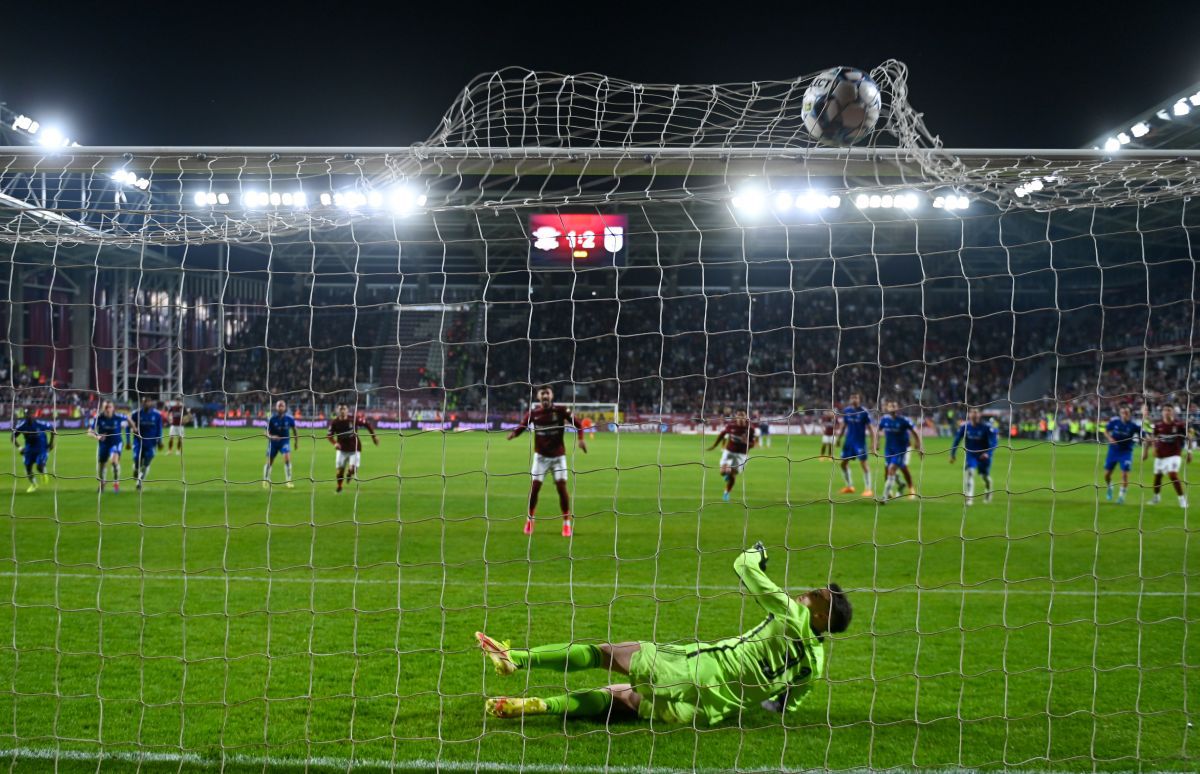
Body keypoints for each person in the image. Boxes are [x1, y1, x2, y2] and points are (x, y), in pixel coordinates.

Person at [476, 542, 851, 725]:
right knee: (619, 698)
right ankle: (542, 706)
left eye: (815, 595)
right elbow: (789, 702)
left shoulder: (790, 612)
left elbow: (743, 566)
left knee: (602, 654)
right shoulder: (815, 664)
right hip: (703, 711)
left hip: (694, 669)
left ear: (822, 614)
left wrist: (758, 553)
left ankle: (515, 659)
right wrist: (776, 704)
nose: (806, 593)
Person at [507, 385, 587, 537]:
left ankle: (566, 523)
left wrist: (581, 439)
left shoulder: (561, 410)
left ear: (551, 396)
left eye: (547, 393)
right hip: (541, 458)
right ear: (538, 397)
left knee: (561, 488)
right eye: (542, 393)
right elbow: (523, 425)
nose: (545, 395)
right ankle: (529, 520)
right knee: (535, 488)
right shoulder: (534, 413)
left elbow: (578, 423)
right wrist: (514, 434)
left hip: (558, 457)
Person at [949, 408, 999, 506]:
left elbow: (994, 442)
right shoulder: (965, 427)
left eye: (976, 412)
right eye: (972, 412)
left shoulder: (986, 427)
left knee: (985, 477)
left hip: (984, 456)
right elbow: (957, 440)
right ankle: (969, 498)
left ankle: (988, 491)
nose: (974, 414)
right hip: (971, 455)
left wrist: (988, 453)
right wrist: (952, 454)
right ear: (969, 415)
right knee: (970, 473)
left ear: (979, 415)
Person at [875, 400, 922, 501]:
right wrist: (877, 442)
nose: (892, 408)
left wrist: (919, 445)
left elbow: (915, 432)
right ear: (887, 408)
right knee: (887, 469)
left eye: (894, 406)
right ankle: (899, 485)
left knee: (900, 468)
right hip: (889, 449)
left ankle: (909, 489)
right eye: (890, 406)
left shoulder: (904, 420)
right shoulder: (884, 419)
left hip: (903, 449)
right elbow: (878, 430)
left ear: (898, 408)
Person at [1144, 404, 1189, 508]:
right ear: (1162, 412)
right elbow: (1153, 438)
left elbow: (1188, 437)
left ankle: (1182, 500)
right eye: (1165, 410)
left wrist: (1189, 452)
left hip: (1174, 455)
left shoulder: (1179, 425)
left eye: (1169, 410)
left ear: (1172, 412)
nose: (1166, 412)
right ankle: (1156, 498)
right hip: (1160, 456)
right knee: (1157, 478)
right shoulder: (1158, 425)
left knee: (1173, 475)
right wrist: (1150, 449)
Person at [326, 403, 378, 493]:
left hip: (354, 449)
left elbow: (367, 424)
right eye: (340, 409)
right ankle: (339, 486)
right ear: (337, 411)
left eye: (344, 409)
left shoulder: (353, 419)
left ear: (347, 410)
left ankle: (350, 473)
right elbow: (329, 435)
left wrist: (374, 437)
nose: (342, 411)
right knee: (340, 471)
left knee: (353, 469)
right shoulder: (335, 422)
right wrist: (335, 443)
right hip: (341, 450)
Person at [707, 409, 756, 503]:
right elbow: (722, 434)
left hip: (741, 455)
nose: (740, 417)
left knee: (733, 475)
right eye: (739, 415)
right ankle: (727, 474)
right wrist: (714, 446)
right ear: (736, 416)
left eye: (742, 415)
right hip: (729, 451)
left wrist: (746, 442)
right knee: (722, 472)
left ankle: (726, 493)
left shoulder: (750, 428)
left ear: (746, 417)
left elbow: (753, 444)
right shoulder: (731, 425)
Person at [836, 394, 875, 497]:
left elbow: (871, 429)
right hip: (849, 442)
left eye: (856, 398)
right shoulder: (847, 411)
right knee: (843, 464)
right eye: (852, 397)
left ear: (859, 399)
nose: (854, 399)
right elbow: (844, 426)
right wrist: (839, 439)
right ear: (850, 399)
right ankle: (849, 486)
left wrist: (873, 444)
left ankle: (868, 489)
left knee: (863, 464)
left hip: (860, 443)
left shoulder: (864, 412)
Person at [88, 400, 128, 493]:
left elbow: (128, 419)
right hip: (104, 444)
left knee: (114, 462)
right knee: (102, 465)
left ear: (113, 408)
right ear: (103, 408)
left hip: (116, 443)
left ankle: (116, 482)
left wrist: (133, 427)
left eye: (109, 407)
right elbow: (89, 432)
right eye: (105, 407)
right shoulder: (98, 417)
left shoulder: (118, 417)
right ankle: (102, 483)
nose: (107, 409)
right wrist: (97, 436)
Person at [11, 408, 55, 493]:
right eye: (27, 414)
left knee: (39, 467)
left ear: (34, 414)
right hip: (29, 450)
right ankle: (34, 485)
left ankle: (43, 472)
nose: (29, 416)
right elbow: (12, 437)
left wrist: (51, 443)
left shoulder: (40, 424)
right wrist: (20, 448)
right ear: (25, 415)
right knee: (28, 468)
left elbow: (52, 429)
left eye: (30, 414)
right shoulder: (22, 425)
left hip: (41, 448)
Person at [1103, 404, 1139, 504]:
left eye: (1126, 412)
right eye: (1123, 412)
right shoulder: (1115, 422)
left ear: (1130, 414)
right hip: (1113, 451)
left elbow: (1143, 433)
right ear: (1120, 413)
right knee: (1106, 475)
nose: (1124, 414)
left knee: (1125, 475)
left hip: (1126, 452)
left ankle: (1121, 496)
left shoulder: (1133, 425)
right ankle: (1110, 487)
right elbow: (1106, 431)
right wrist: (1110, 438)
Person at [129, 395, 165, 491]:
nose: (146, 403)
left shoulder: (157, 415)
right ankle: (136, 469)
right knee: (137, 459)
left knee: (146, 463)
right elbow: (129, 426)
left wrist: (160, 441)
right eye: (144, 402)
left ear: (151, 403)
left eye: (148, 402)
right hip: (138, 442)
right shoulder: (136, 414)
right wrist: (128, 440)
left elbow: (159, 429)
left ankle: (140, 482)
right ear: (142, 403)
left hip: (151, 443)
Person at [264, 399, 299, 488]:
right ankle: (266, 480)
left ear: (285, 407)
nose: (280, 407)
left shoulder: (289, 418)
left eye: (282, 406)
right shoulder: (271, 418)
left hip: (284, 442)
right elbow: (265, 432)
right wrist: (272, 436)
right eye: (279, 406)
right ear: (276, 407)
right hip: (273, 443)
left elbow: (295, 430)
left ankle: (289, 481)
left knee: (287, 459)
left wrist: (296, 442)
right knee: (269, 462)